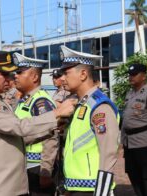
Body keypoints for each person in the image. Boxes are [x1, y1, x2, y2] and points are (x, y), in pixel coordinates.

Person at [0, 50, 77, 196]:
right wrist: (56, 113)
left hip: (12, 186)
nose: (10, 79)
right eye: (4, 74)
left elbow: (15, 139)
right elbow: (18, 127)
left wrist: (52, 128)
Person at [59, 45, 120, 196]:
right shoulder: (80, 103)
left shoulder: (99, 106)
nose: (62, 79)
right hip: (76, 187)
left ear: (83, 74)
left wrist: (102, 192)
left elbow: (109, 152)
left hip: (92, 189)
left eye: (66, 73)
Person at [13, 52, 58, 195]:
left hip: (37, 168)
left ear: (34, 77)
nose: (16, 76)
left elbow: (52, 137)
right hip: (26, 166)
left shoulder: (40, 102)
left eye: (20, 72)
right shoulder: (25, 100)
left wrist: (46, 170)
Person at [121, 63, 147, 196]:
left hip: (145, 144)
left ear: (144, 76)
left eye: (134, 74)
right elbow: (126, 120)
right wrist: (123, 141)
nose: (131, 77)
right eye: (130, 75)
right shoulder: (130, 94)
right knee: (134, 177)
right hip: (130, 143)